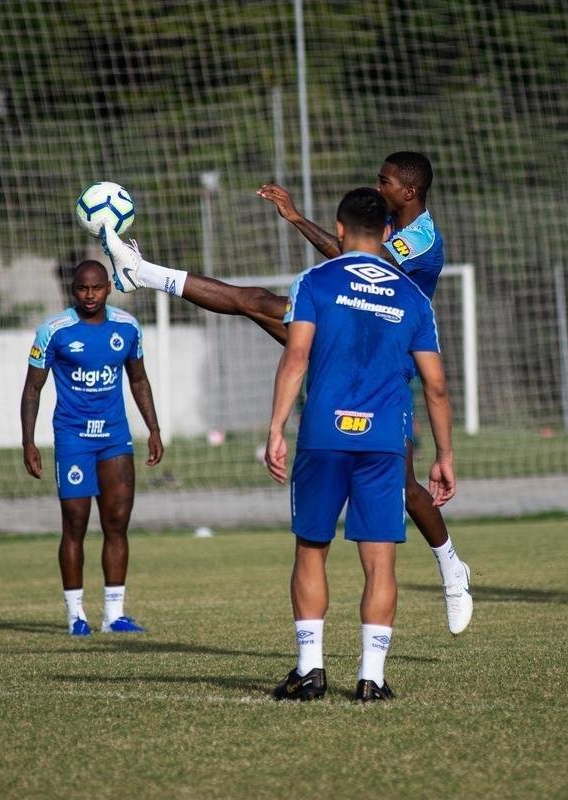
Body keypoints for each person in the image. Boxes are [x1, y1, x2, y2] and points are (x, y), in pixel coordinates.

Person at [100, 151, 473, 636]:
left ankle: (450, 567)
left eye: (384, 182)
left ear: (409, 191)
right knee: (253, 301)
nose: (376, 186)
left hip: (382, 366)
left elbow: (354, 260)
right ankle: (141, 271)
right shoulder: (388, 221)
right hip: (342, 342)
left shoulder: (421, 239)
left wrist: (297, 218)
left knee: (405, 490)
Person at [263, 187, 455, 702]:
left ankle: (310, 670)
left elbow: (296, 356)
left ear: (340, 230)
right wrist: (445, 456)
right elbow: (435, 385)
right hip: (384, 440)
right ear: (389, 233)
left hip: (324, 435)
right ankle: (371, 677)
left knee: (311, 549)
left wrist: (276, 427)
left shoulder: (315, 280)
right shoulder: (414, 297)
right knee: (380, 560)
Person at [20, 260, 163, 637]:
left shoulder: (127, 328)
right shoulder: (54, 331)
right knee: (75, 525)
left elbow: (139, 381)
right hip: (73, 439)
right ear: (73, 289)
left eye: (96, 288)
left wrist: (154, 428)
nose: (89, 295)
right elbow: (32, 388)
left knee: (117, 523)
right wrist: (28, 440)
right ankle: (75, 615)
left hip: (115, 438)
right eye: (83, 288)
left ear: (108, 288)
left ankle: (114, 615)